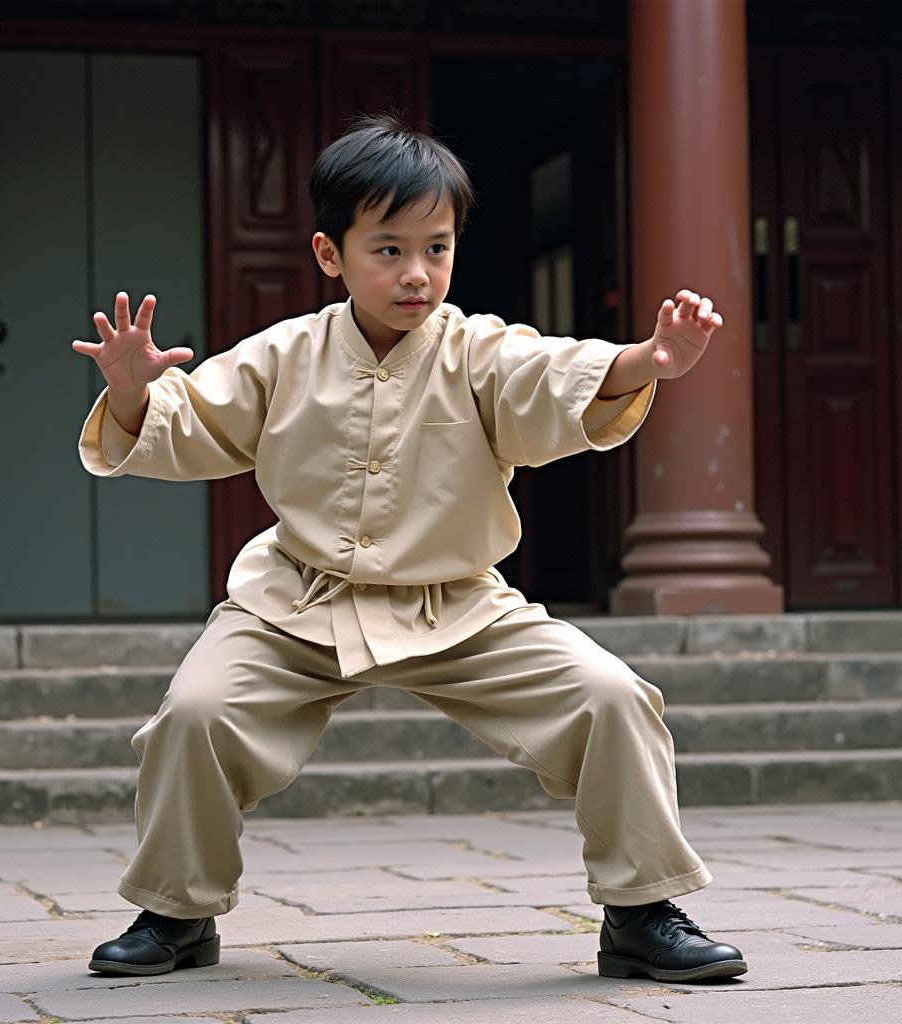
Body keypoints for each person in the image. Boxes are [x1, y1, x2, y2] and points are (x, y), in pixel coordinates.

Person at [72, 114, 747, 984]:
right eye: (388, 250)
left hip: (457, 600)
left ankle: (642, 908)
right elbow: (186, 425)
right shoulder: (284, 355)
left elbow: (556, 375)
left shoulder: (479, 350)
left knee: (611, 697)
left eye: (437, 247)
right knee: (196, 714)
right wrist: (132, 394)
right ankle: (176, 911)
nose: (417, 274)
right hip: (297, 601)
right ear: (330, 254)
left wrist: (648, 358)